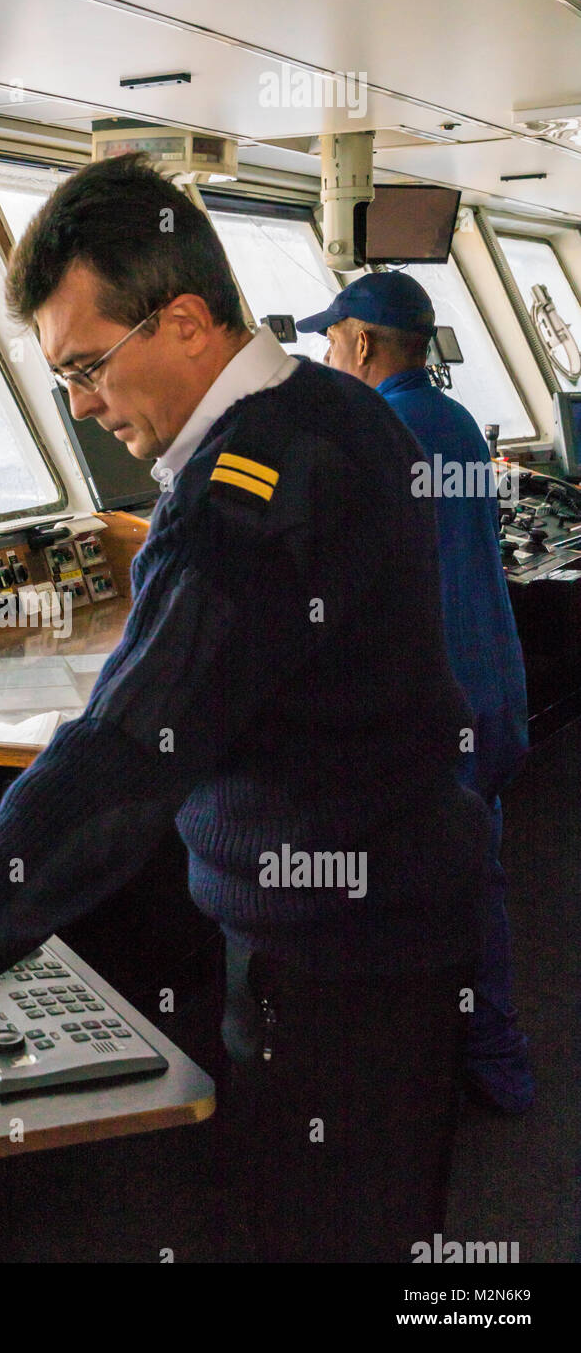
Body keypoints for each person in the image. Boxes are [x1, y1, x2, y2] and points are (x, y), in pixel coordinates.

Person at [0, 154, 491, 1261]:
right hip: (397, 911)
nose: (82, 407)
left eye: (89, 367)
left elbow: (111, 773)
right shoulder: (340, 408)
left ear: (189, 322)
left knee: (322, 1226)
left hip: (337, 961)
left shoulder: (231, 504)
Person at [297, 272, 532, 1115]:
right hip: (492, 690)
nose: (327, 355)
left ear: (361, 342)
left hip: (431, 709)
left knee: (392, 890)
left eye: (331, 340)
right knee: (475, 879)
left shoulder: (378, 428)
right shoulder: (456, 421)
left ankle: (399, 1082)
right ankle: (494, 1057)